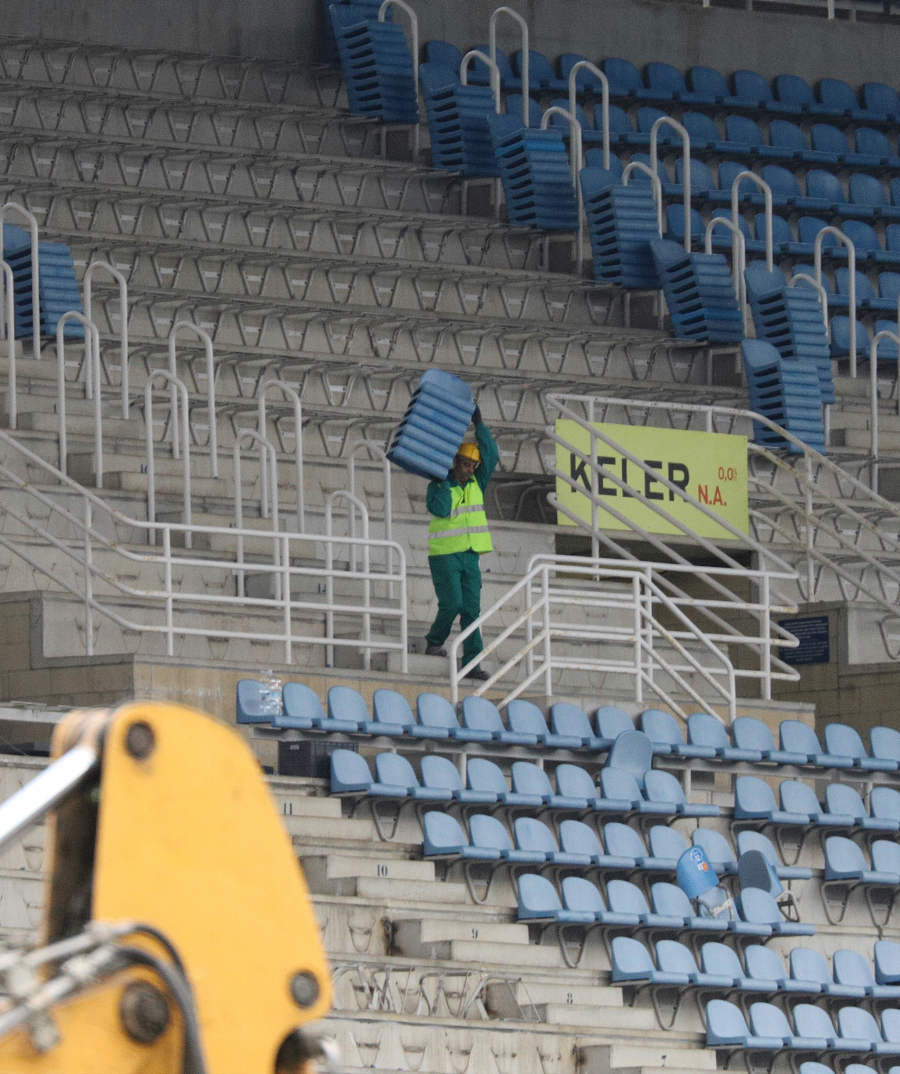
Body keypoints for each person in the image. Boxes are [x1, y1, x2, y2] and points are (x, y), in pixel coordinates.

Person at [424, 406, 498, 680]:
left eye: (472, 465)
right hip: (444, 555)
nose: (469, 469)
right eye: (465, 464)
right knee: (452, 603)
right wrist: (444, 482)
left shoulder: (477, 482)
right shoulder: (439, 485)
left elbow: (491, 454)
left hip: (470, 555)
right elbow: (442, 510)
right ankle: (434, 640)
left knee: (472, 611)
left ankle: (472, 664)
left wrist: (479, 424)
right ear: (454, 462)